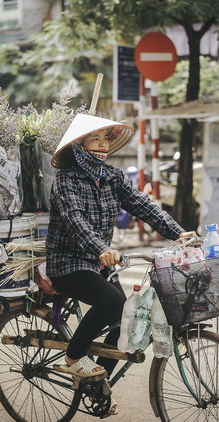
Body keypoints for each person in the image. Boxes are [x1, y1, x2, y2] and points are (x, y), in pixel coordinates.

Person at [45, 114, 193, 416]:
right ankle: (74, 357)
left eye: (104, 139)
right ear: (79, 146)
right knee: (112, 302)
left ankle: (98, 384)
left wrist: (178, 232)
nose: (102, 145)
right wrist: (102, 249)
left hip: (99, 263)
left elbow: (143, 205)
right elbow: (76, 221)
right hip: (67, 263)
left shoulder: (112, 176)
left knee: (125, 318)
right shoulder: (66, 180)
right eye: (94, 139)